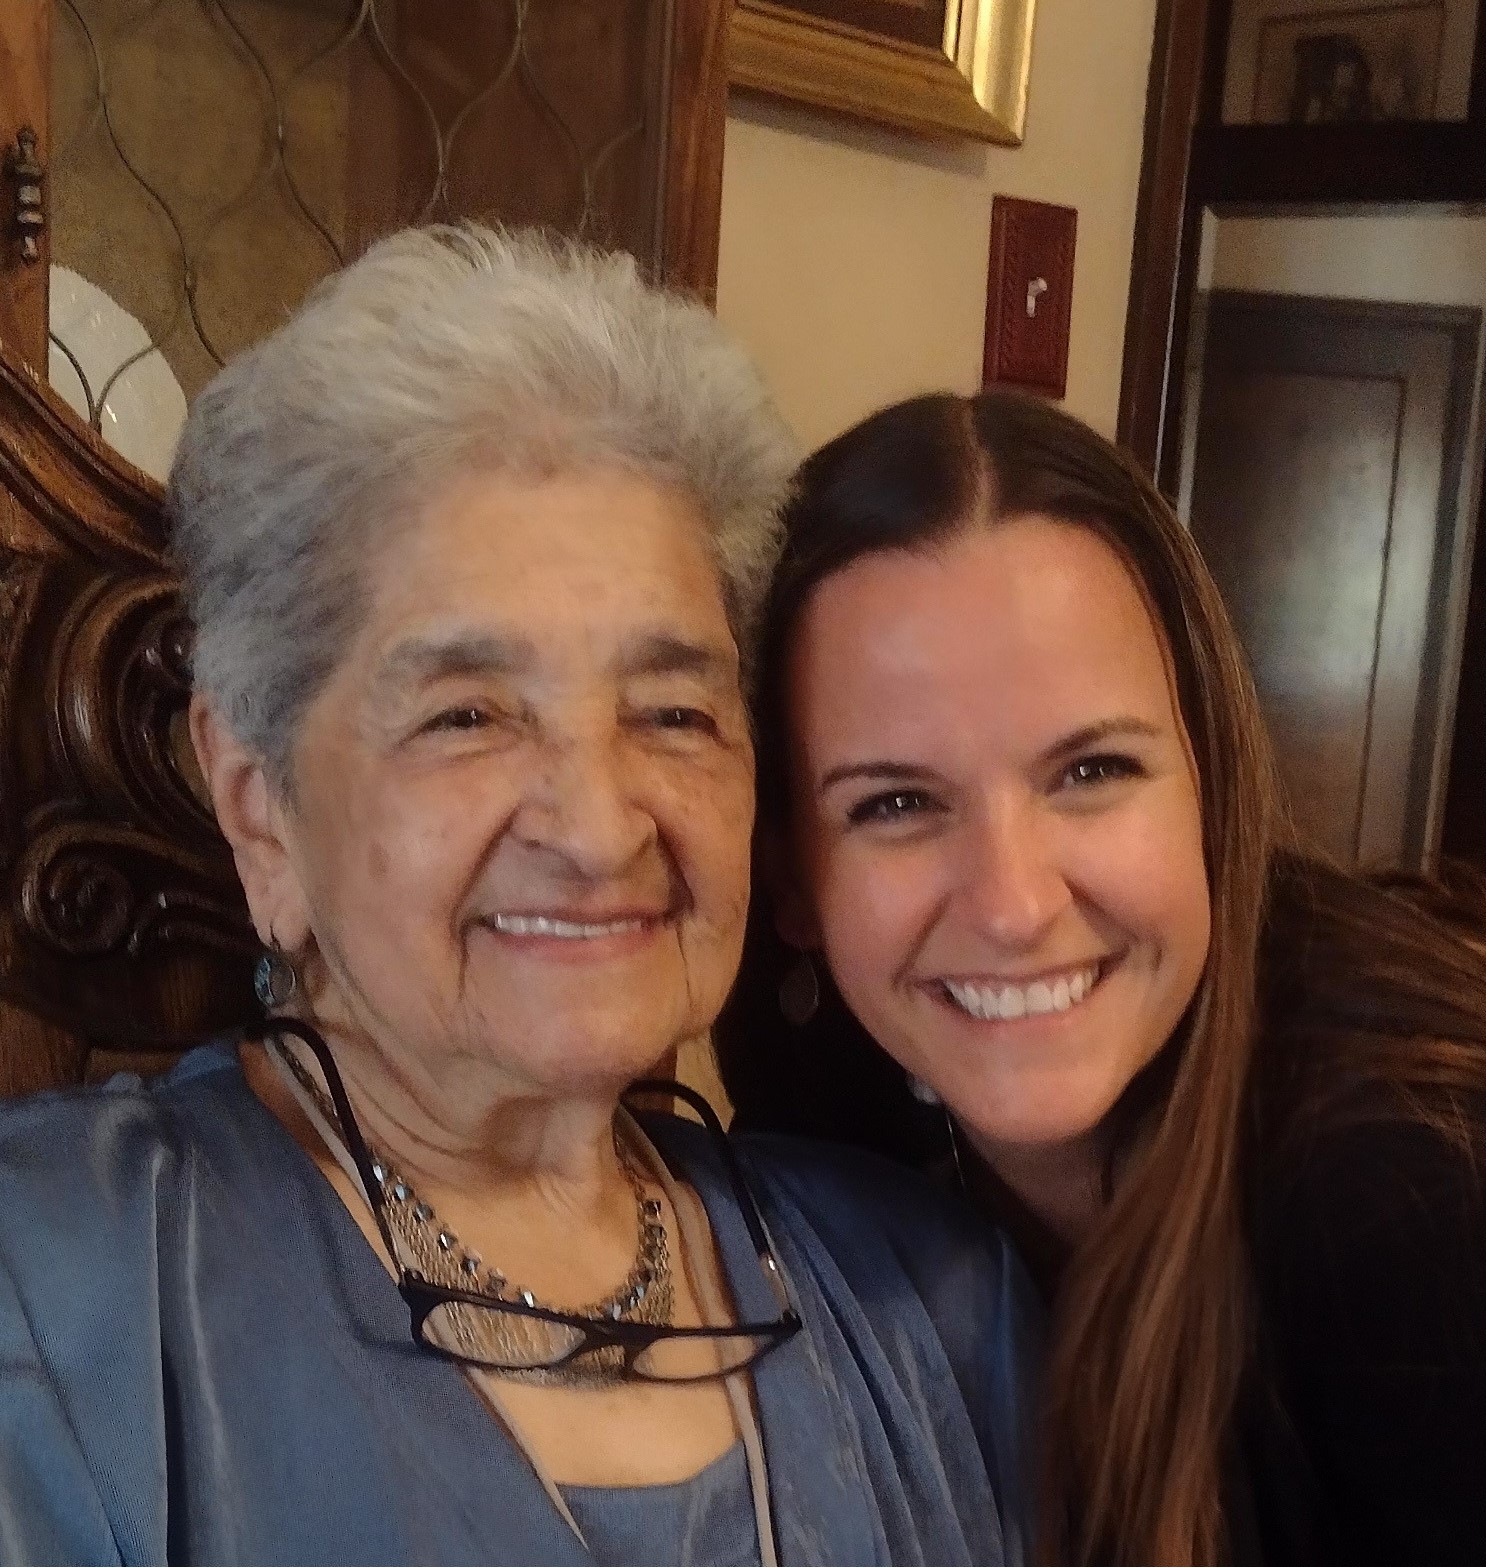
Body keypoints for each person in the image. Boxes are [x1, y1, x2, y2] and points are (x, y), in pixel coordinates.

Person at [0, 233, 1037, 1567]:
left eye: (672, 709)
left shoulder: (936, 1302)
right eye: (468, 714)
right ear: (260, 802)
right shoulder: (54, 1304)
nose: (599, 828)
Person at [716, 390, 1486, 1567]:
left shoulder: (1438, 1213)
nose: (1015, 903)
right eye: (896, 803)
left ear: (1210, 787)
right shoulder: (841, 1137)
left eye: (1091, 769)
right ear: (788, 878)